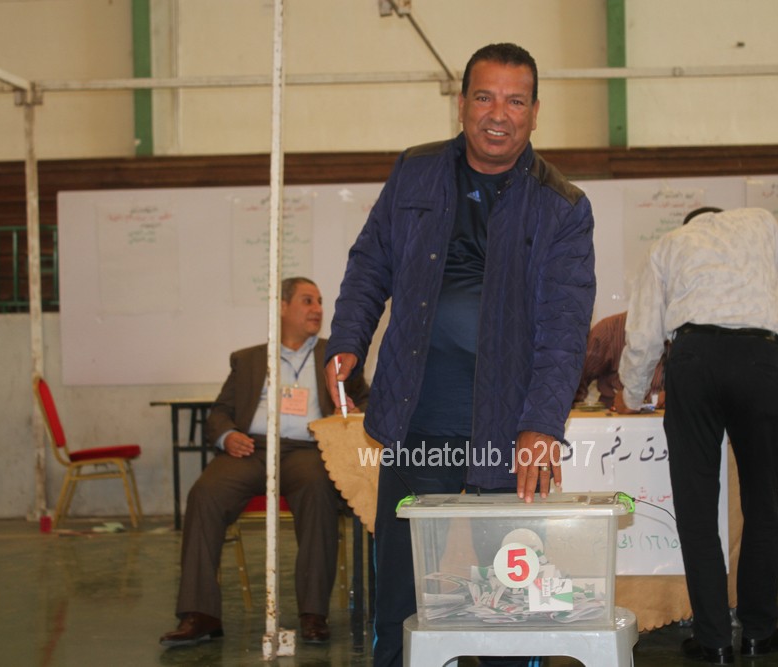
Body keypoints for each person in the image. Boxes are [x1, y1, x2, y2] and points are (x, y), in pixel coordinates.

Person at [323, 42, 595, 667]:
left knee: (510, 590)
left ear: (535, 112)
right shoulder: (415, 172)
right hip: (417, 416)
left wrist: (541, 425)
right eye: (485, 97)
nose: (498, 114)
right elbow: (370, 263)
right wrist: (348, 340)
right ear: (462, 103)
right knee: (402, 589)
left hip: (510, 430)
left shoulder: (562, 205)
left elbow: (564, 327)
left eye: (515, 101)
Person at [616, 207, 778, 664]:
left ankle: (714, 640)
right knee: (763, 506)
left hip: (695, 357)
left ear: (691, 225)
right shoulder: (764, 222)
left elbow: (644, 330)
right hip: (761, 355)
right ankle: (759, 632)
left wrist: (633, 394)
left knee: (697, 511)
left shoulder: (668, 244)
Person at [159, 277, 370, 648]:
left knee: (318, 489)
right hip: (251, 449)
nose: (318, 309)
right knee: (204, 494)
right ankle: (200, 614)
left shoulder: (335, 357)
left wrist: (353, 412)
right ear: (283, 307)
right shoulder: (249, 359)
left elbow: (367, 402)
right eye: (307, 300)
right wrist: (227, 435)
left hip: (309, 449)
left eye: (320, 301)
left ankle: (313, 614)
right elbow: (219, 413)